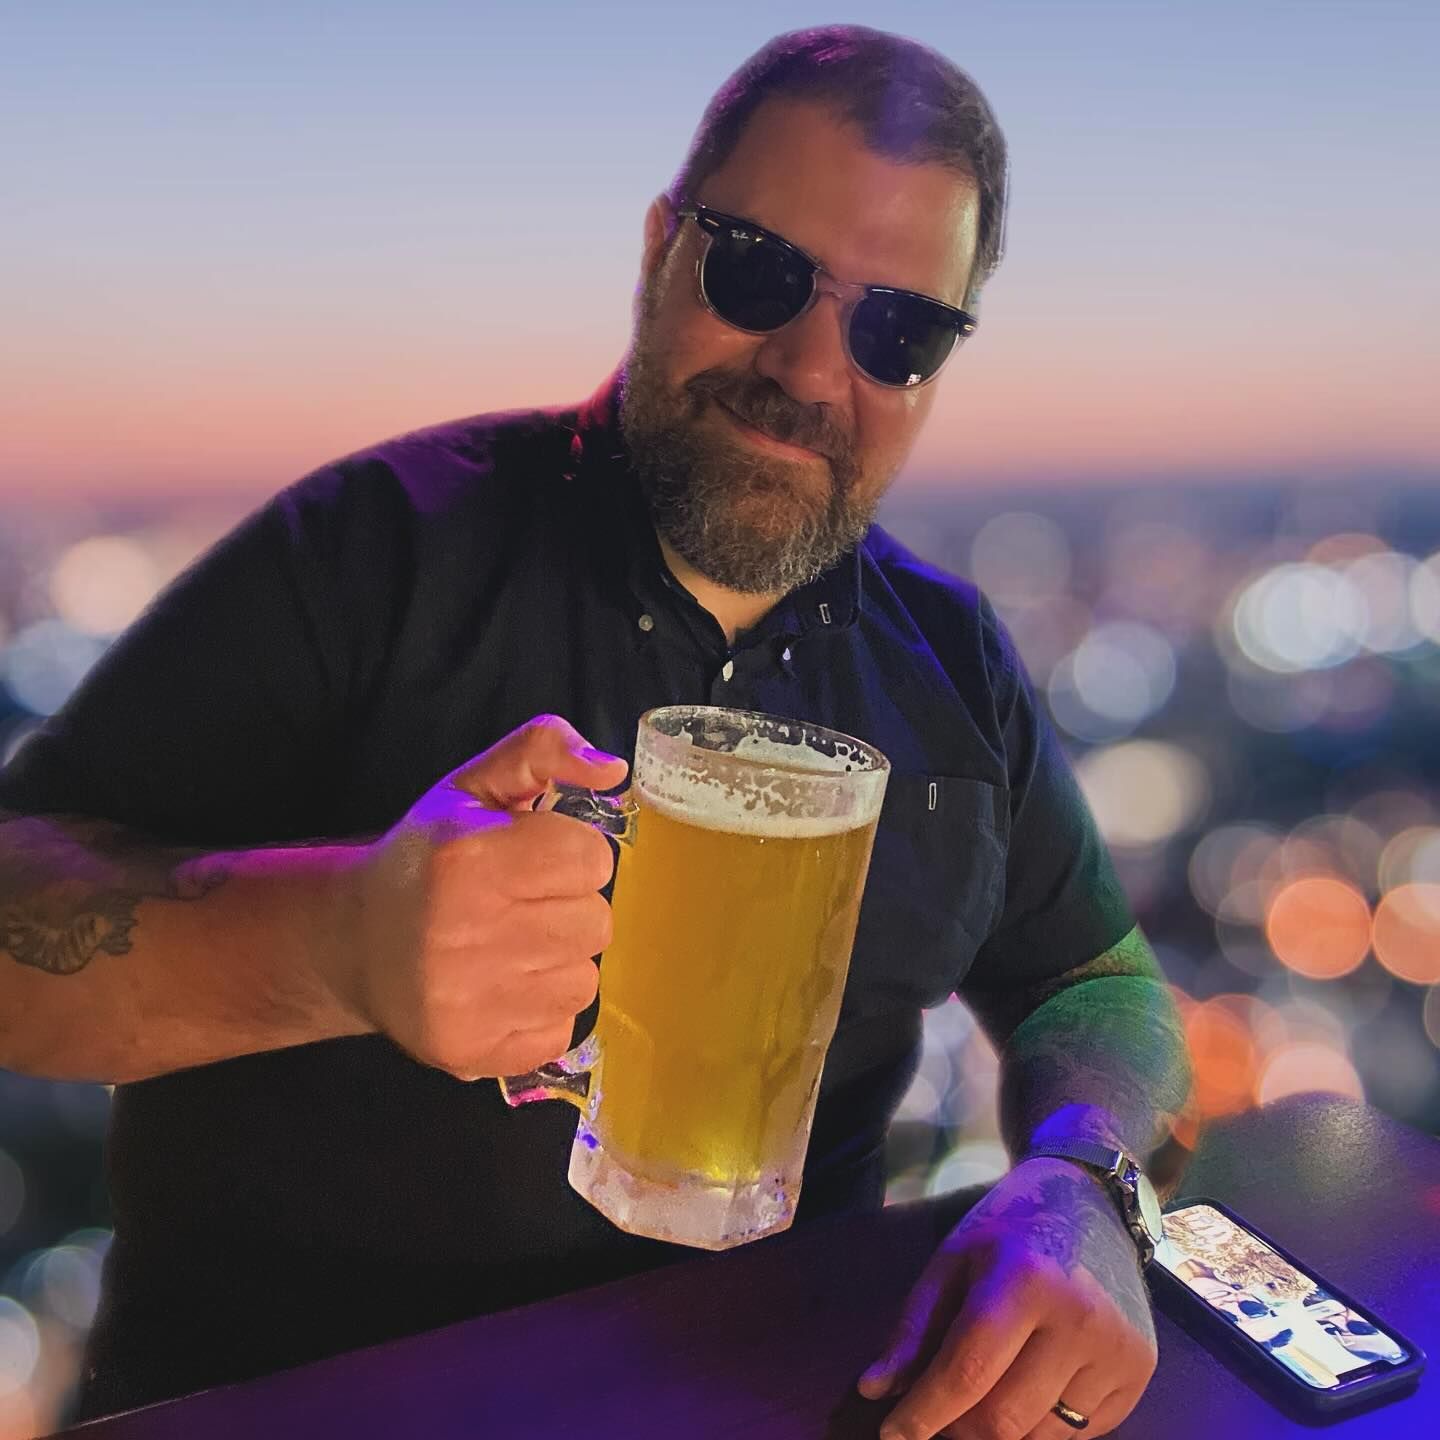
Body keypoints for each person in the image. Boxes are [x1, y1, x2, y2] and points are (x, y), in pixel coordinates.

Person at [0, 25, 1193, 1440]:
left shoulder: (951, 661)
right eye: (760, 270)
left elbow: (1098, 982)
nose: (814, 370)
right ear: (659, 249)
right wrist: (336, 941)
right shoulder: (373, 556)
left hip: (796, 1395)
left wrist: (1082, 1182)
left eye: (898, 330)